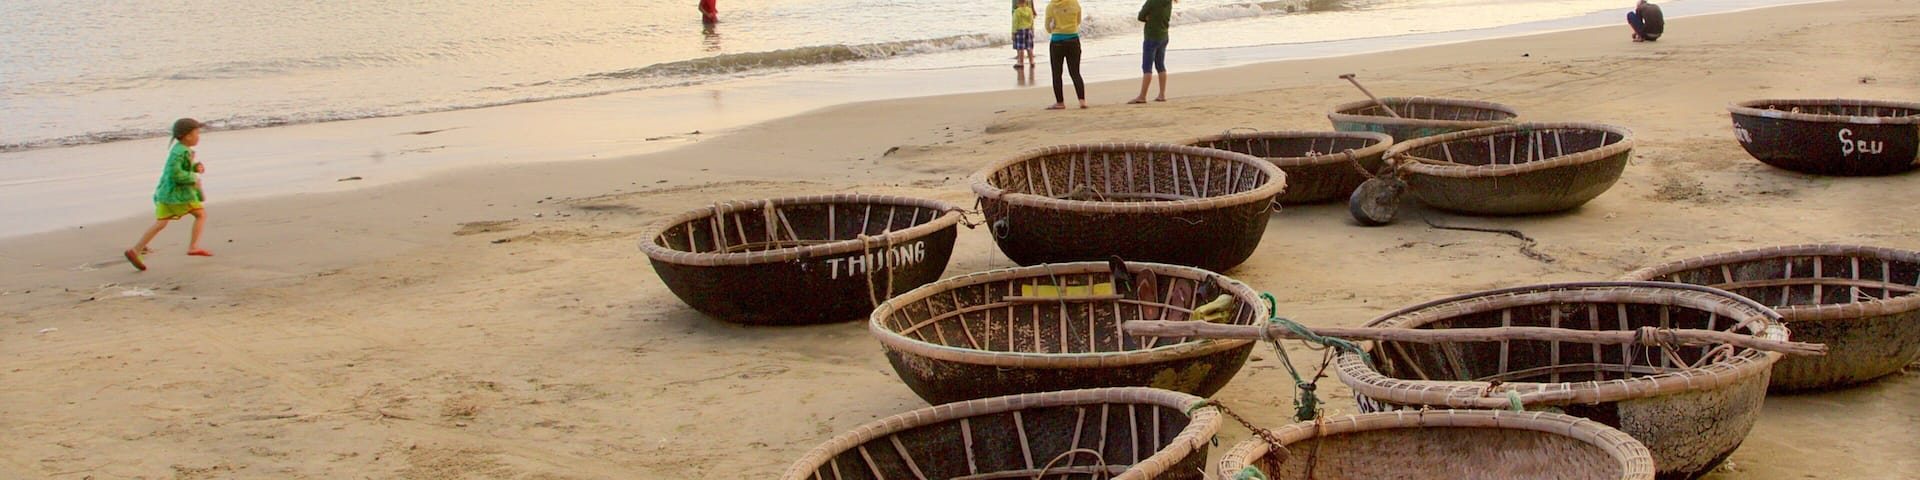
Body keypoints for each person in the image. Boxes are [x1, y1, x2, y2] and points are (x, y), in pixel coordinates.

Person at [125, 118, 212, 271]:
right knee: (200, 215)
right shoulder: (181, 152)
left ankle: (136, 250)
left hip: (166, 194)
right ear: (186, 136)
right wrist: (193, 178)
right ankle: (193, 246)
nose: (199, 136)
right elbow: (175, 174)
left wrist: (194, 167)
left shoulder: (180, 149)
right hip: (178, 195)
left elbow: (179, 168)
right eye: (196, 133)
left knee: (161, 223)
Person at [1129, 0, 1174, 104]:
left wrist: (1147, 17)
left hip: (1151, 37)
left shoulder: (1152, 1)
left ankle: (1142, 96)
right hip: (1164, 35)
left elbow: (1140, 16)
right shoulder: (1168, 2)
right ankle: (1162, 94)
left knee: (1147, 67)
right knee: (1160, 65)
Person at [1044, 0, 1086, 110]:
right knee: (1075, 72)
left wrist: (1057, 27)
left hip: (1057, 41)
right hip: (1073, 39)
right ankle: (1082, 100)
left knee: (1057, 73)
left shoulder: (1051, 6)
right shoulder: (1074, 3)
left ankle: (1060, 102)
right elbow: (1078, 21)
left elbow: (1048, 28)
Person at [1011, 0, 1036, 70]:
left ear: (1017, 3)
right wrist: (1033, 30)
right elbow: (1032, 21)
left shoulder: (1017, 11)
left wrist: (1013, 33)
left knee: (1020, 48)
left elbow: (1015, 23)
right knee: (1029, 47)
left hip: (1020, 31)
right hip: (1029, 30)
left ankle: (1021, 62)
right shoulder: (1029, 10)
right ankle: (1031, 61)